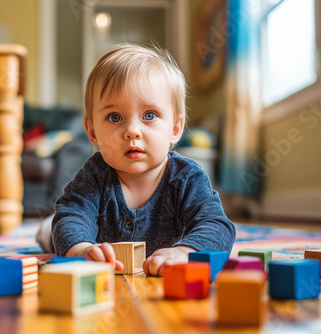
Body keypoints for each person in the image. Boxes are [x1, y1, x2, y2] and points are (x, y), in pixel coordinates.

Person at [40, 44, 235, 276]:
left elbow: (217, 225)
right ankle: (46, 227)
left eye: (149, 116)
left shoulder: (186, 177)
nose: (132, 131)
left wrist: (184, 252)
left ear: (175, 128)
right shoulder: (95, 174)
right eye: (115, 117)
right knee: (55, 229)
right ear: (92, 132)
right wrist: (81, 250)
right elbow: (73, 215)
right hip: (88, 241)